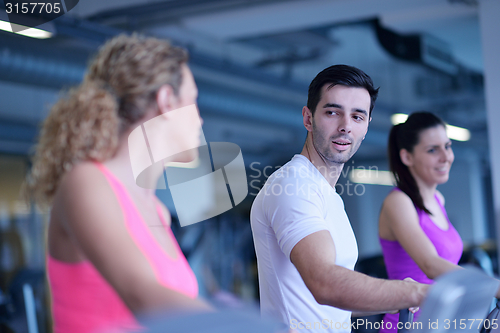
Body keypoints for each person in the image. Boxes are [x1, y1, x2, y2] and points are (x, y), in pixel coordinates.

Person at [26, 34, 212, 333]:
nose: (200, 119)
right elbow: (142, 295)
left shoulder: (157, 212)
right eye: (193, 100)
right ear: (166, 100)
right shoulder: (86, 183)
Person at [250, 65, 428, 333]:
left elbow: (333, 300)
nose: (345, 126)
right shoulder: (292, 185)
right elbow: (324, 284)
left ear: (367, 126)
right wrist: (410, 291)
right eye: (333, 112)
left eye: (357, 117)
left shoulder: (328, 195)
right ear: (308, 119)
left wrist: (391, 296)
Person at [378, 111, 500, 332]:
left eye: (448, 146)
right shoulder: (398, 202)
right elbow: (430, 265)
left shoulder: (438, 201)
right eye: (433, 150)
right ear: (407, 157)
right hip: (409, 325)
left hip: (445, 323)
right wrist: (492, 286)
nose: (446, 157)